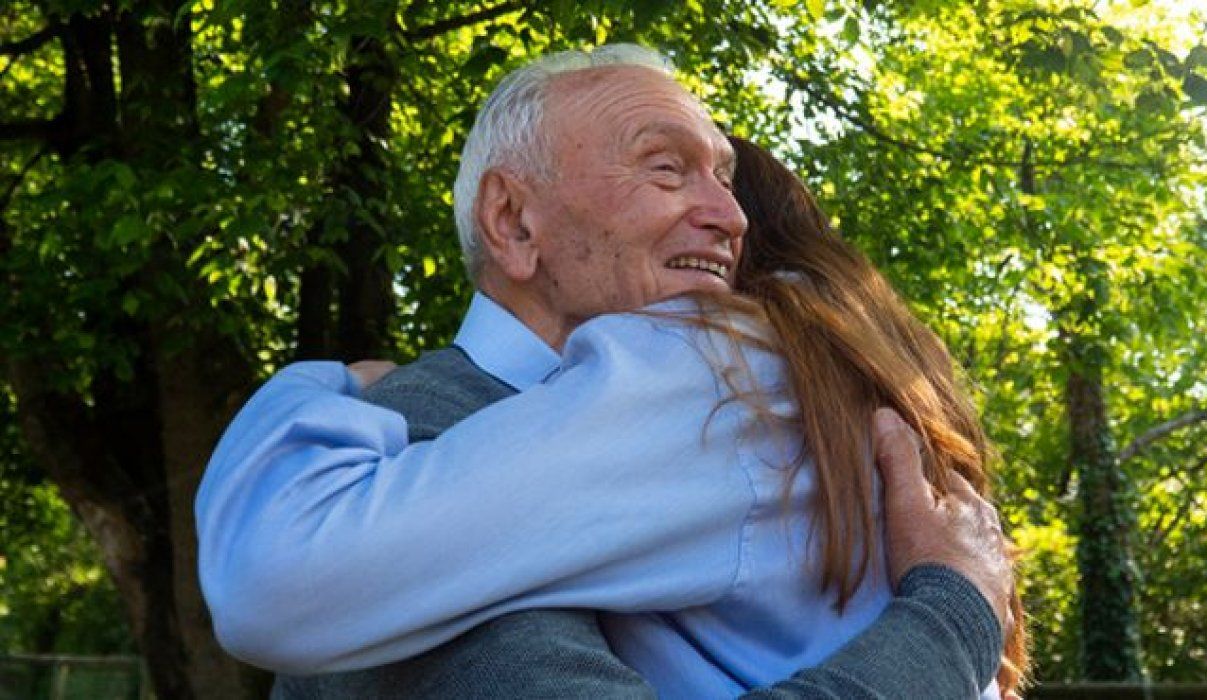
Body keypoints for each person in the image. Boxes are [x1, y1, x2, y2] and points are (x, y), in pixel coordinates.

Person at [197, 44, 1019, 698]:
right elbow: (276, 582)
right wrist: (954, 615)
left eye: (724, 178)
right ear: (513, 222)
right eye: (665, 168)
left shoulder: (723, 374)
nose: (730, 218)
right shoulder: (701, 375)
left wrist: (327, 385)